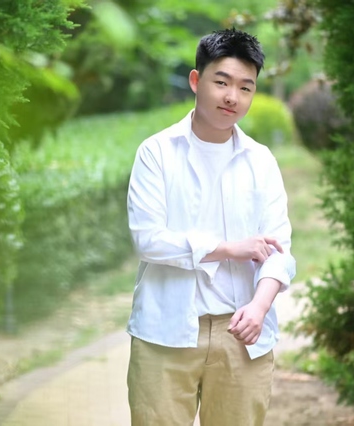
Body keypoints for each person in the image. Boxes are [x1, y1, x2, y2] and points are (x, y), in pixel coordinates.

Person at [126, 28, 297, 426]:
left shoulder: (261, 161)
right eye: (221, 82)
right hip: (165, 331)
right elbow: (148, 240)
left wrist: (259, 307)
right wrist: (228, 248)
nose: (232, 96)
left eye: (245, 87)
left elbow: (280, 251)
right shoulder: (156, 153)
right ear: (195, 80)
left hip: (242, 334)